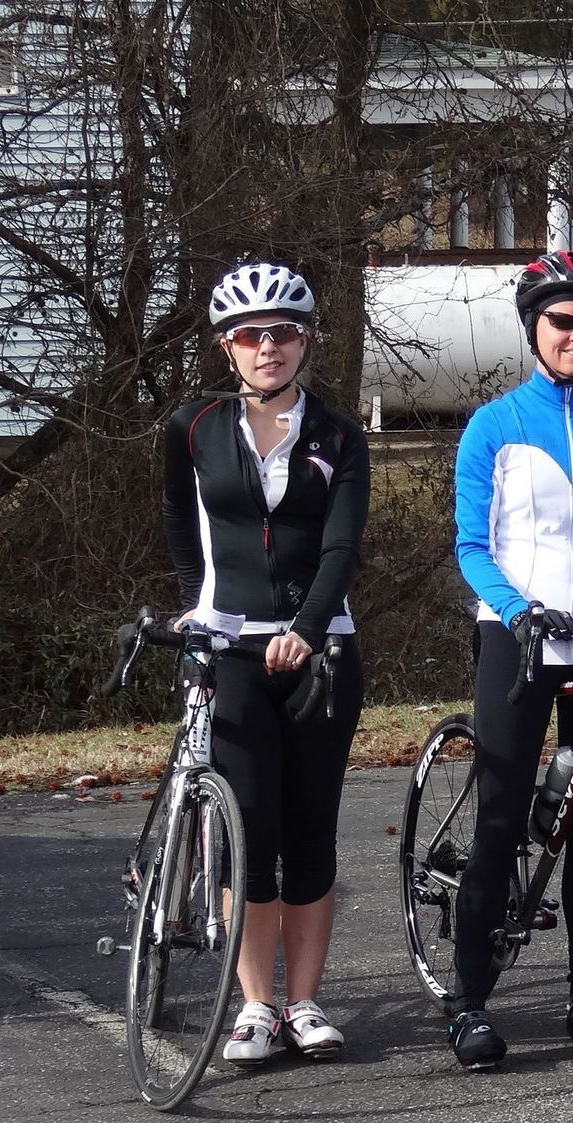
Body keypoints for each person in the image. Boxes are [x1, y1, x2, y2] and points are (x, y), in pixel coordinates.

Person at [445, 250, 573, 1070]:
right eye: (562, 321)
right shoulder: (494, 424)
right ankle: (469, 1002)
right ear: (534, 327)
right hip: (519, 634)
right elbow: (472, 546)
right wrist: (518, 610)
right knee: (501, 817)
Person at [162, 262, 370, 1066]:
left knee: (310, 829)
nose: (268, 347)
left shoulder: (340, 435)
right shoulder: (193, 425)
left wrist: (309, 629)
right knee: (248, 831)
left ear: (305, 339)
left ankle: (304, 1002)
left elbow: (342, 546)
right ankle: (255, 1005)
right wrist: (196, 601)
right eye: (250, 335)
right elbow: (179, 516)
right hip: (232, 651)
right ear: (228, 347)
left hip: (322, 651)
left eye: (283, 332)